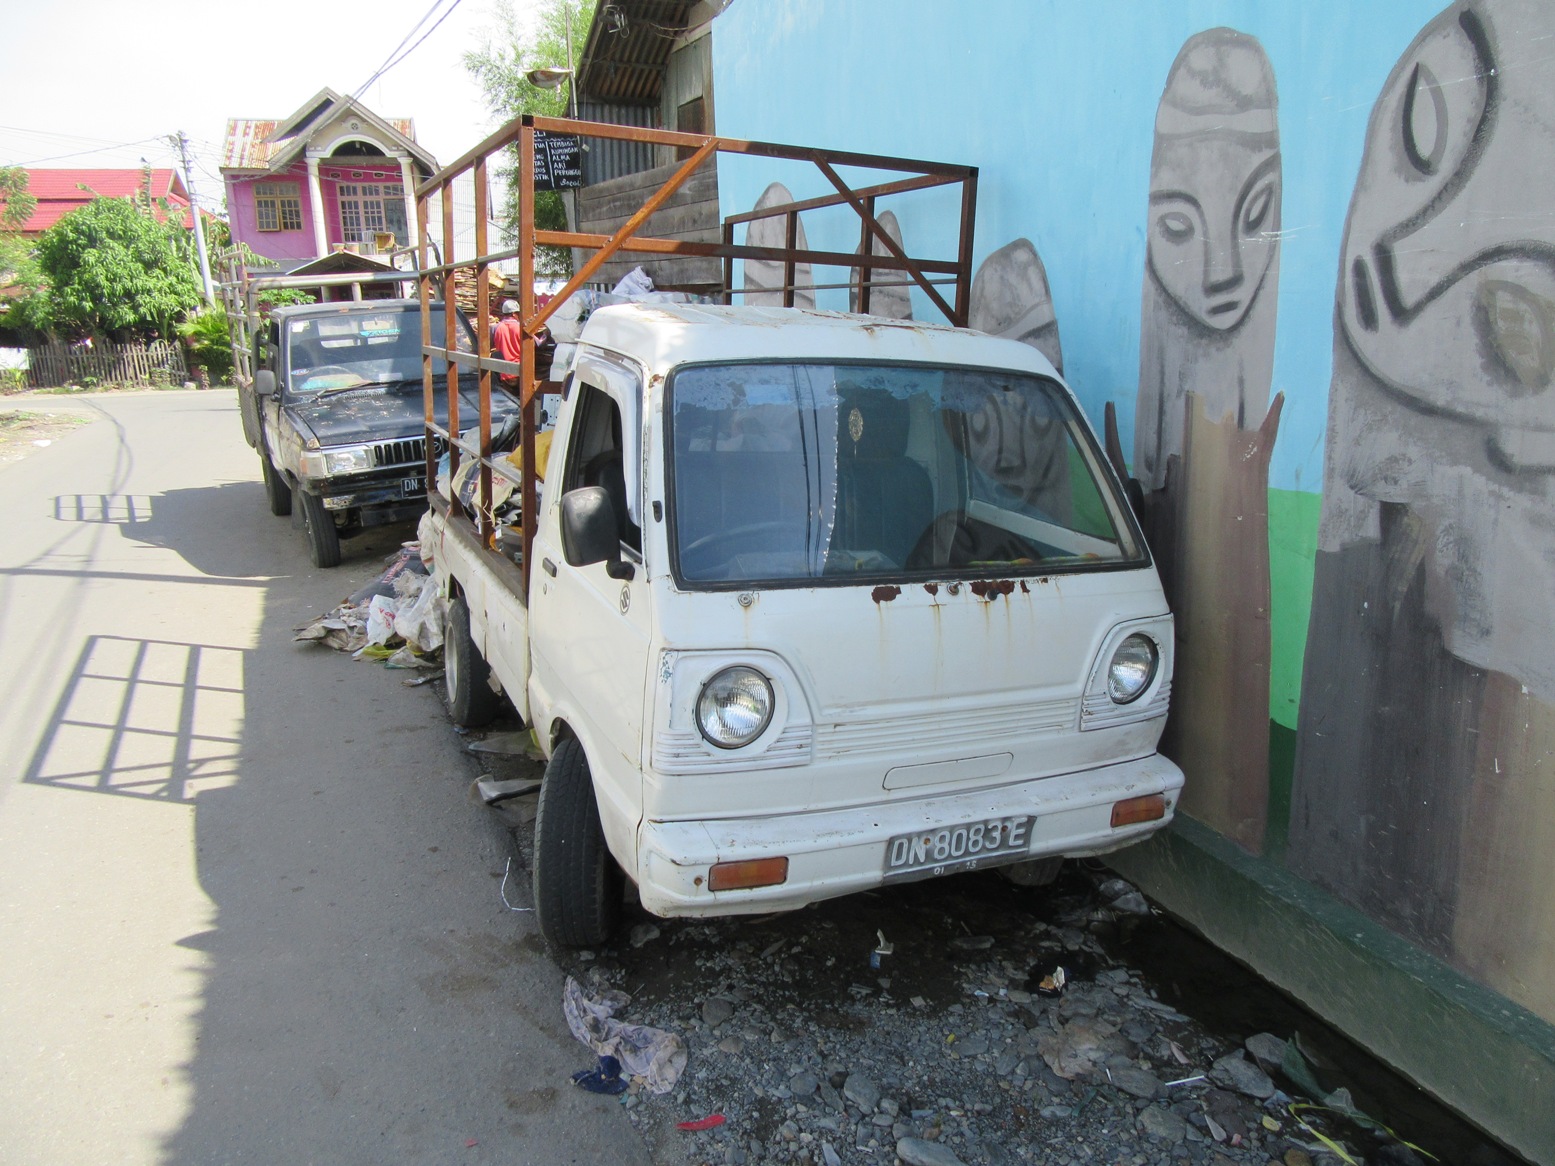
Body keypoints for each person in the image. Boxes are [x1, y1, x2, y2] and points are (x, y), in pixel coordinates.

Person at [494, 298, 524, 389]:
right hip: (519, 371)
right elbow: (538, 343)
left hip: (503, 373)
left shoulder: (496, 328)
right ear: (514, 314)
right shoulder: (521, 328)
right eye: (518, 313)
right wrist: (545, 335)